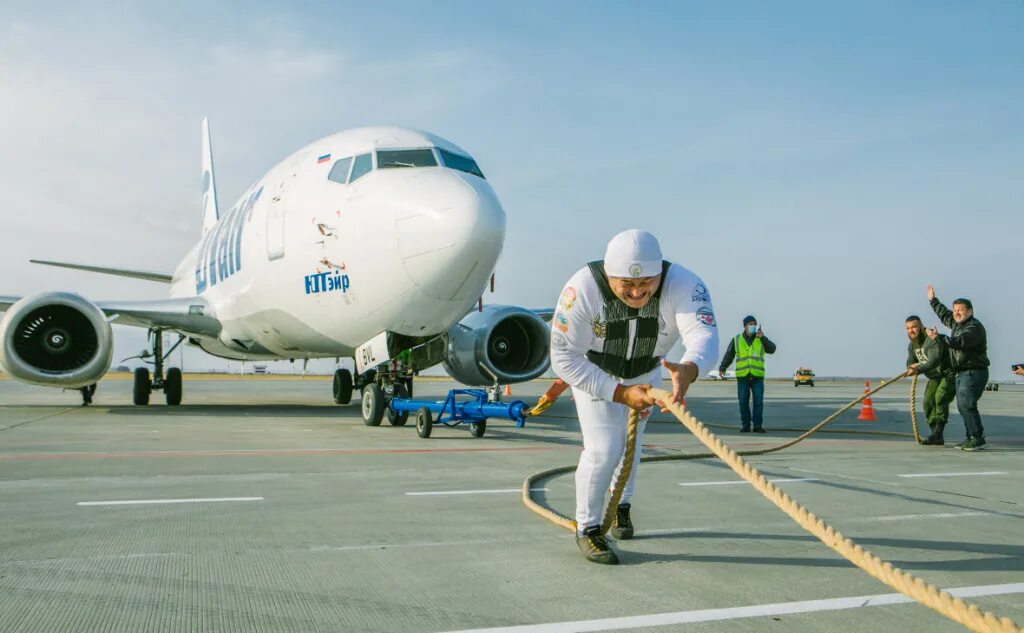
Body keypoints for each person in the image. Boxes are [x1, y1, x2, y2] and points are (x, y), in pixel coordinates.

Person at [550, 229, 719, 564]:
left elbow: (704, 334)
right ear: (609, 274)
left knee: (632, 445)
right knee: (603, 450)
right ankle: (588, 528)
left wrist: (690, 368)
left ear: (660, 274)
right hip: (597, 374)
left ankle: (621, 504)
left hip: (646, 371)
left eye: (648, 283)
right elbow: (563, 356)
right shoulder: (581, 287)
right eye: (626, 284)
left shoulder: (685, 284)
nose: (638, 292)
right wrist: (620, 393)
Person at [927, 285, 990, 451]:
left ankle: (977, 438)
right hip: (962, 373)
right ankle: (971, 437)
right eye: (955, 310)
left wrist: (939, 337)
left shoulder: (974, 327)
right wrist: (933, 301)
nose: (956, 313)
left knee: (966, 404)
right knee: (963, 406)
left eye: (960, 310)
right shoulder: (956, 324)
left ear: (970, 311)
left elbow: (961, 342)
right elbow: (945, 315)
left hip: (974, 372)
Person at [718, 316, 776, 433]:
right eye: (750, 324)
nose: (752, 326)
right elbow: (729, 355)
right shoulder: (737, 339)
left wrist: (763, 337)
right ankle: (746, 425)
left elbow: (772, 349)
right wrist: (723, 367)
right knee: (743, 401)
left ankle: (757, 426)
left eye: (754, 324)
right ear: (745, 326)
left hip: (757, 376)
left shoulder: (761, 339)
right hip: (743, 376)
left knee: (758, 402)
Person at [903, 315, 954, 445]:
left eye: (914, 327)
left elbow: (934, 360)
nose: (911, 331)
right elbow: (910, 360)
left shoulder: (931, 338)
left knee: (940, 397)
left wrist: (918, 369)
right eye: (908, 328)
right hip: (934, 377)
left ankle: (937, 434)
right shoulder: (912, 345)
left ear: (921, 326)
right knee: (927, 403)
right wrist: (910, 366)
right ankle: (936, 435)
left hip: (947, 374)